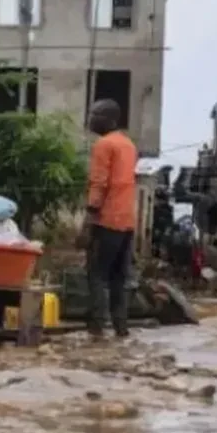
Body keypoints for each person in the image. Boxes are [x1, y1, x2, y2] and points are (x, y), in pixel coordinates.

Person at [78, 98, 138, 338]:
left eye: (95, 114)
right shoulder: (128, 145)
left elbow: (99, 184)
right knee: (118, 277)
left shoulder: (104, 145)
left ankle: (97, 329)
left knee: (96, 274)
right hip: (127, 222)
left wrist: (88, 222)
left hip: (106, 219)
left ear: (109, 119)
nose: (90, 118)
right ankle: (121, 328)